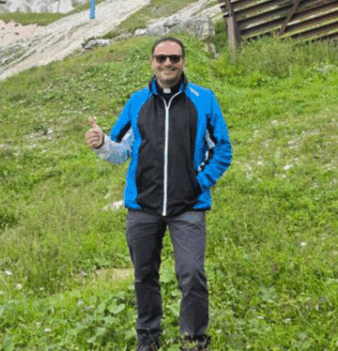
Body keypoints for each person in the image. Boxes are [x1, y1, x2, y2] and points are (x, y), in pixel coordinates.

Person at [85, 37, 232, 351]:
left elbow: (222, 149)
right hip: (143, 206)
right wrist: (102, 144)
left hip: (189, 206)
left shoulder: (204, 100)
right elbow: (121, 150)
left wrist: (198, 183)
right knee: (144, 275)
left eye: (174, 58)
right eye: (161, 58)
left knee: (192, 274)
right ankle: (148, 340)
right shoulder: (137, 101)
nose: (167, 63)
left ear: (183, 61)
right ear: (152, 62)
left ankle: (194, 340)